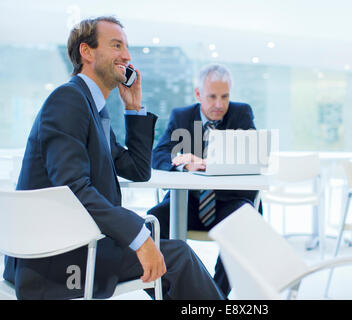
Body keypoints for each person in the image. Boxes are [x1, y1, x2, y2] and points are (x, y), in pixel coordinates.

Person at [2, 16, 223, 300]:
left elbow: (138, 169)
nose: (127, 56)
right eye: (116, 45)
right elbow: (74, 189)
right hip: (58, 259)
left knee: (173, 258)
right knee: (177, 257)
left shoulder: (92, 108)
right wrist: (140, 239)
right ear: (87, 52)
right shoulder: (68, 101)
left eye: (126, 47)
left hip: (79, 244)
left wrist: (134, 108)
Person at [149, 64, 261, 297]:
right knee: (151, 225)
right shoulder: (182, 117)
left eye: (225, 96)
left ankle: (214, 297)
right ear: (198, 94)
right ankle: (172, 295)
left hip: (226, 204)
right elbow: (158, 154)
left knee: (247, 220)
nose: (219, 104)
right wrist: (182, 162)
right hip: (186, 204)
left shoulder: (241, 114)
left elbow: (254, 157)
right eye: (212, 96)